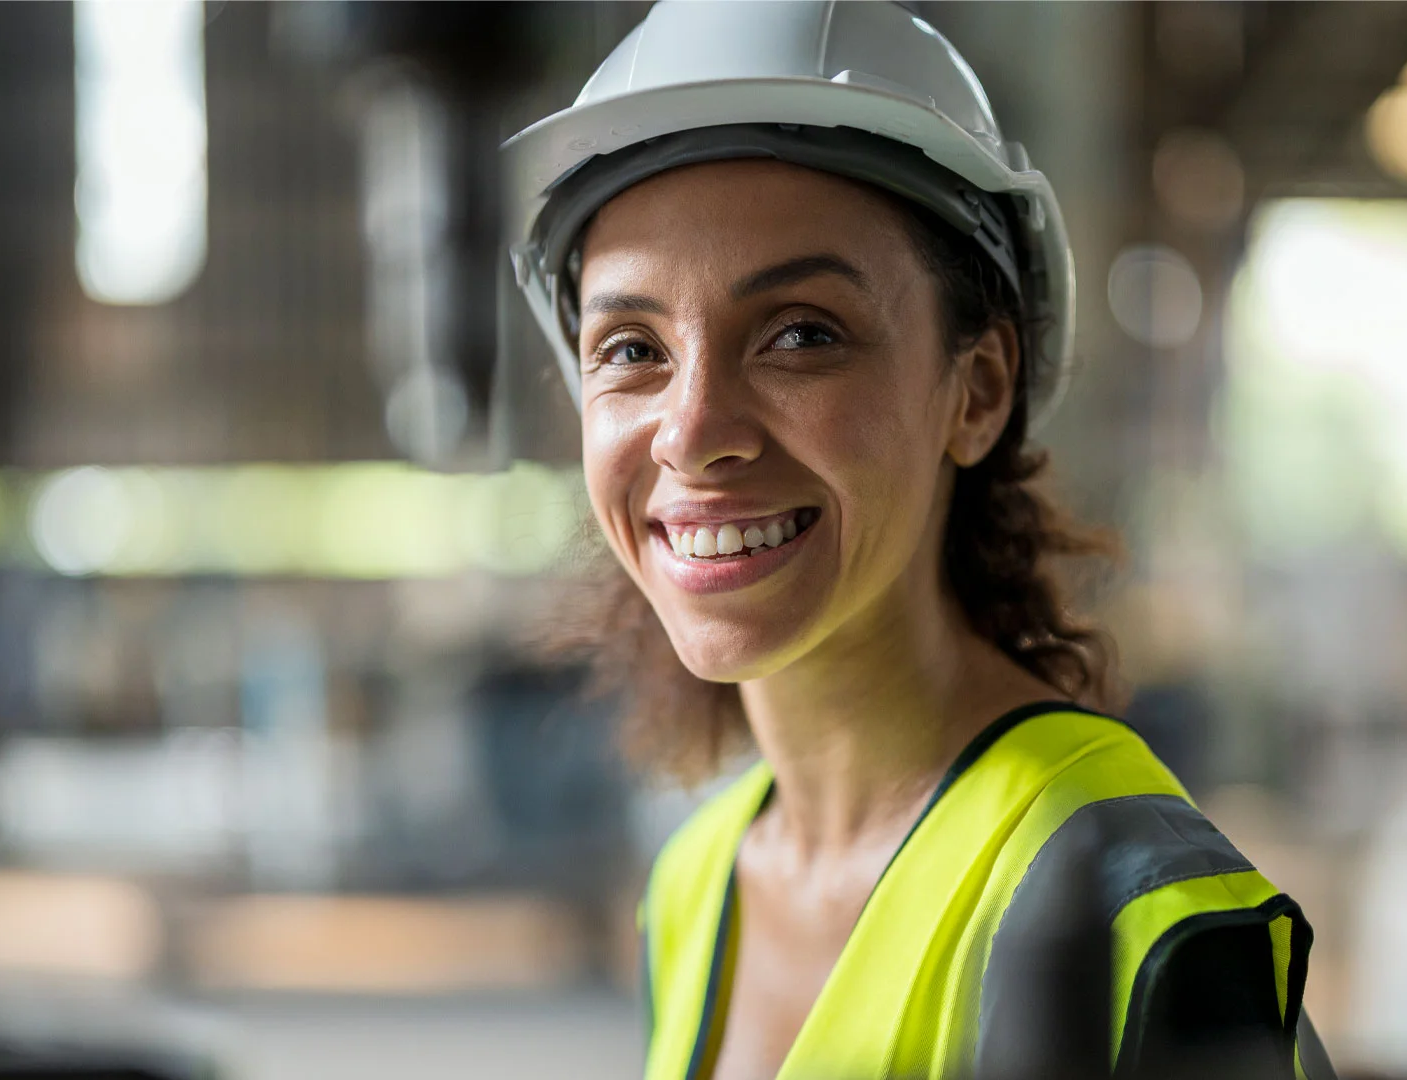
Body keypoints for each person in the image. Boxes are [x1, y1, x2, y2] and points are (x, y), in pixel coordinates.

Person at [504, 4, 1336, 1079]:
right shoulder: (697, 883)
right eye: (632, 348)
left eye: (802, 333)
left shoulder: (1145, 912)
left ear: (976, 393)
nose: (694, 432)